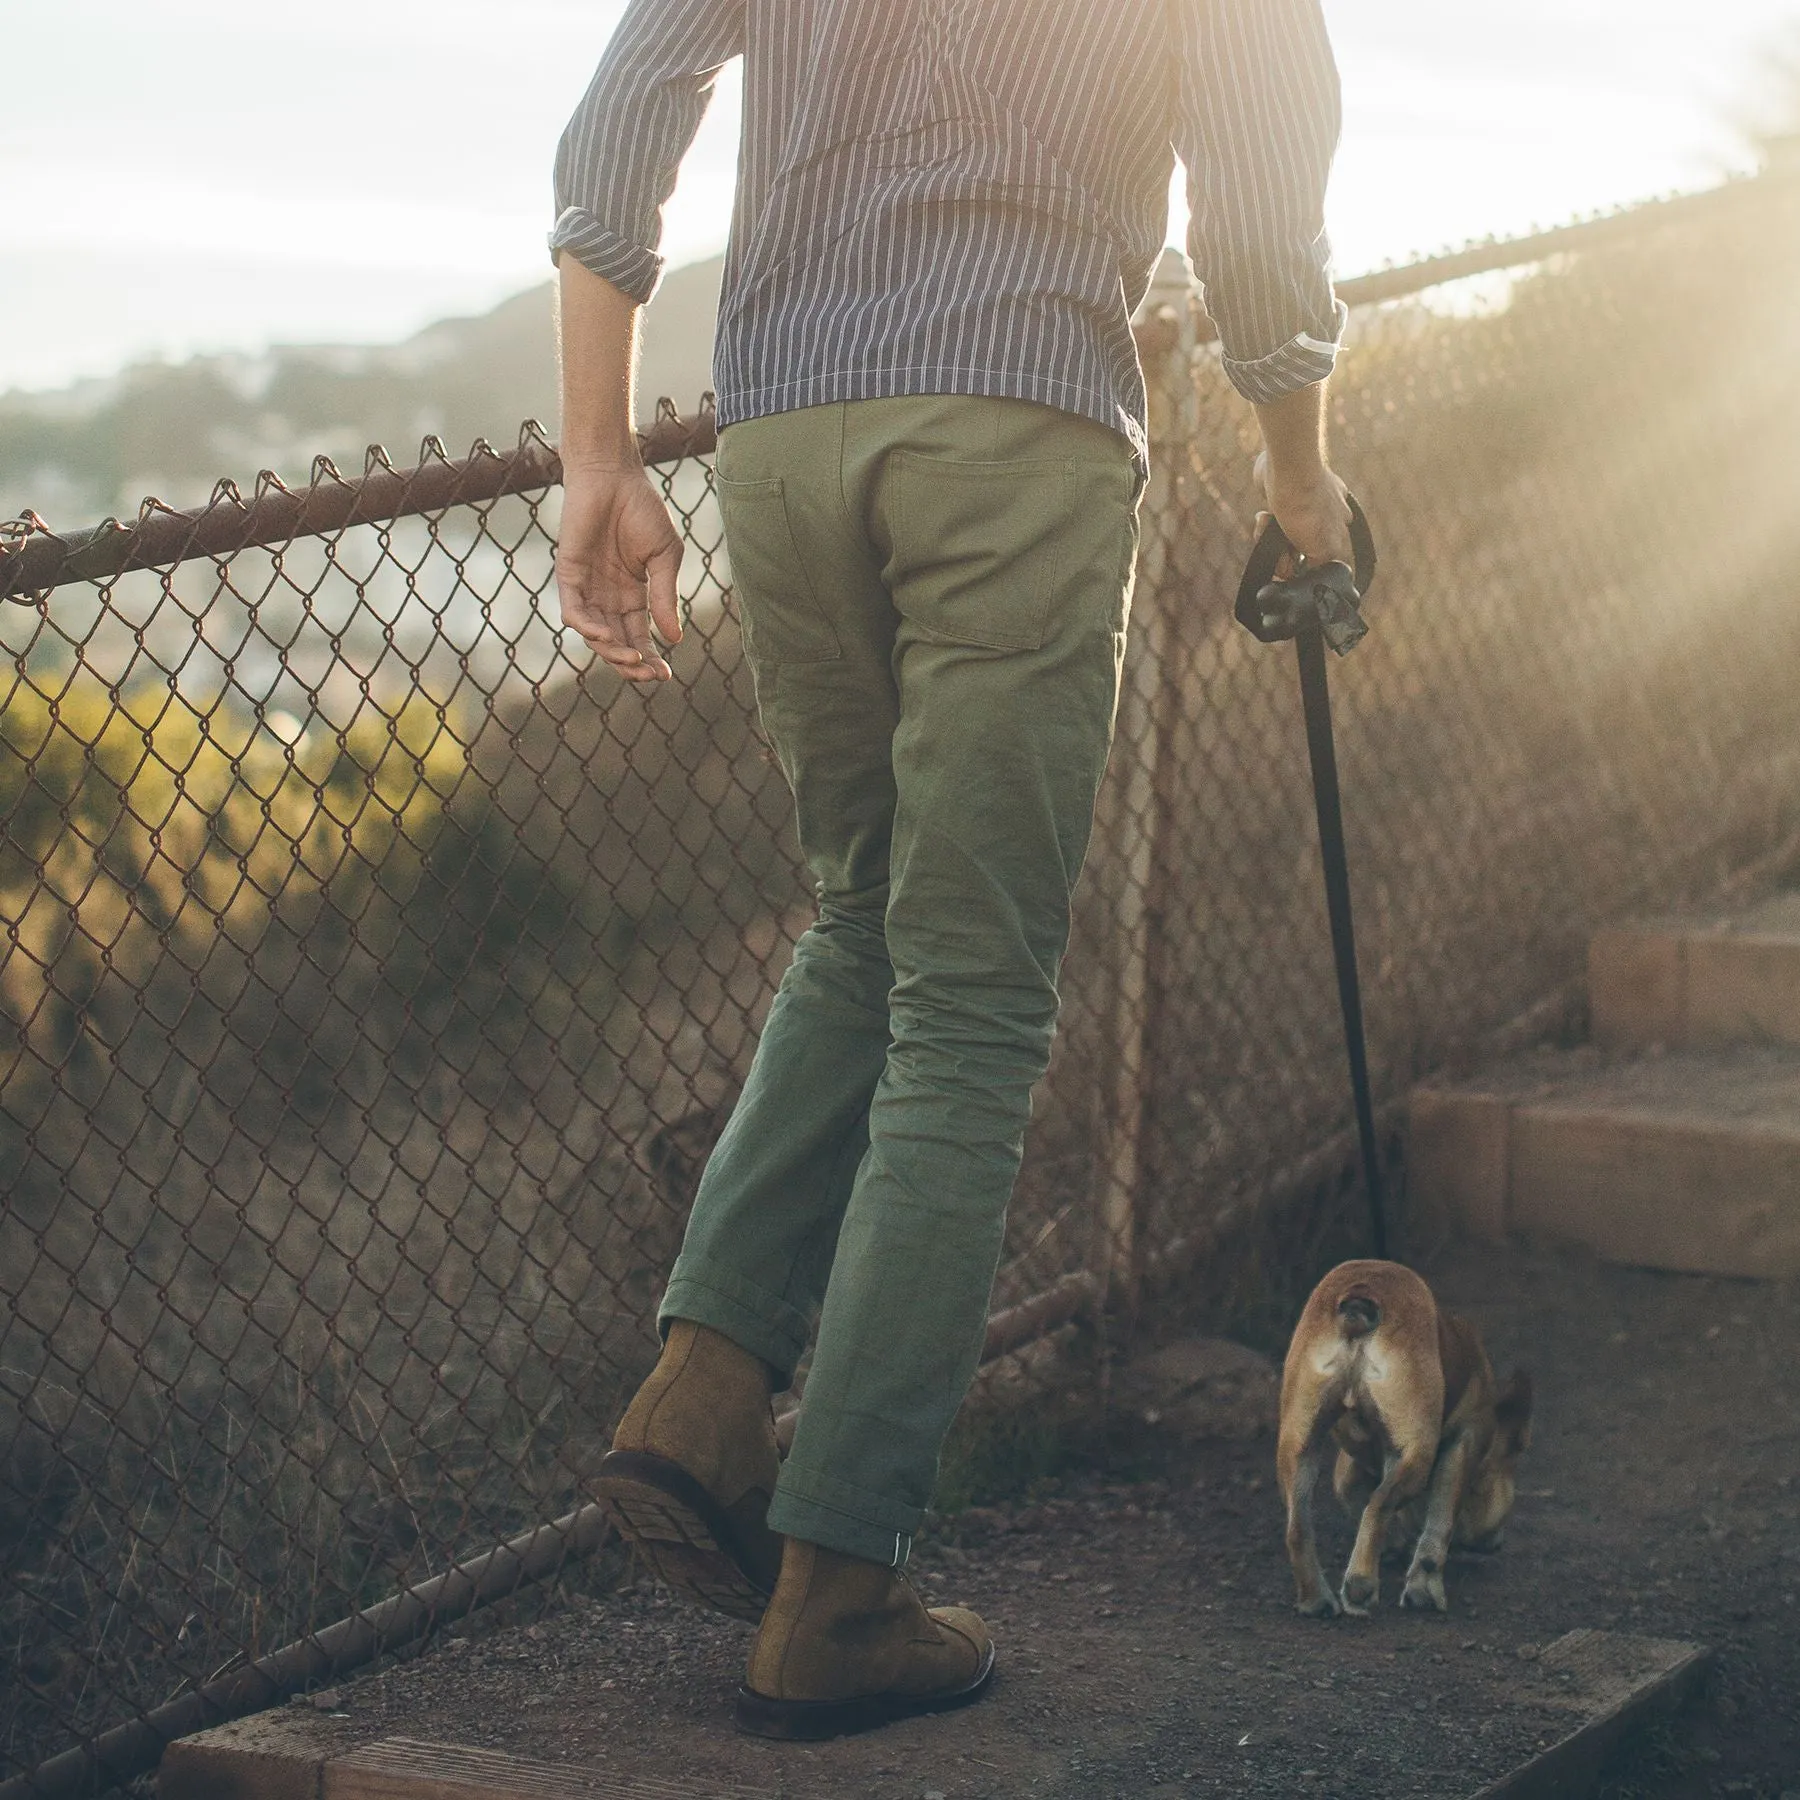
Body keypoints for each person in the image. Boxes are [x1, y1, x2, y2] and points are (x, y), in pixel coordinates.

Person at [551, 0, 1355, 1742]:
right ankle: (838, 1588)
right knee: (975, 1002)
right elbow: (1265, 221)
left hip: (779, 438)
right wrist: (1301, 477)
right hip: (1014, 426)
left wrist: (599, 453)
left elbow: (625, 114)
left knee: (863, 922)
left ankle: (698, 1401)